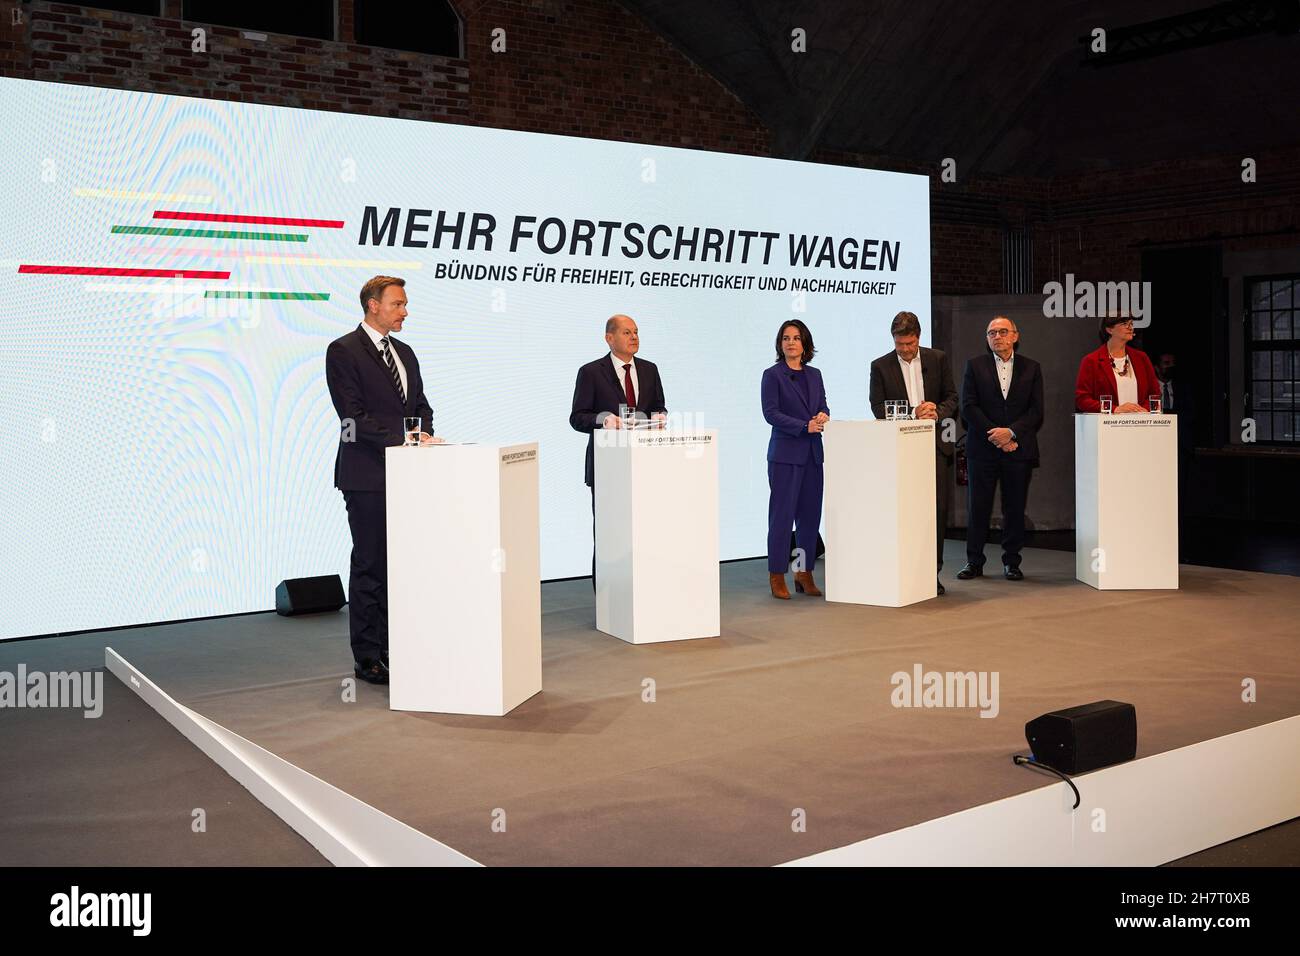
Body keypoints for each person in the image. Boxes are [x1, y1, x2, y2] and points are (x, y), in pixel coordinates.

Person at [325, 276, 441, 685]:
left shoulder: (406, 353)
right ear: (373, 305)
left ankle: (397, 646)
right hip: (367, 476)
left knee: (402, 566)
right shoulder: (343, 350)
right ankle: (369, 656)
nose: (405, 311)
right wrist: (402, 441)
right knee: (371, 565)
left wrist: (422, 434)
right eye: (398, 304)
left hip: (409, 476)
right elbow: (352, 417)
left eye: (405, 304)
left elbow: (422, 406)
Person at [568, 315, 667, 587]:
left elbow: (658, 404)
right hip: (609, 466)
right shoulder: (591, 372)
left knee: (645, 530)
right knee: (611, 533)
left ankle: (644, 587)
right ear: (609, 338)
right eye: (626, 333)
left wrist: (660, 416)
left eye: (636, 332)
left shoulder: (650, 369)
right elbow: (577, 417)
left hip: (645, 463)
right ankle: (608, 597)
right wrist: (604, 419)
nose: (634, 337)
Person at [868, 310, 959, 595]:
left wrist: (935, 411)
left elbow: (952, 397)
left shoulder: (937, 359)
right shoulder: (880, 366)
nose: (905, 349)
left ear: (918, 337)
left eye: (909, 343)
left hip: (934, 447)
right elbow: (877, 407)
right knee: (905, 512)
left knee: (936, 512)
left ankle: (932, 573)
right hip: (900, 449)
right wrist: (912, 413)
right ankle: (903, 570)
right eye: (899, 344)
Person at [957, 316, 1044, 582]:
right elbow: (968, 407)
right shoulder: (975, 366)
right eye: (991, 332)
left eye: (1002, 331)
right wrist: (997, 435)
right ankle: (974, 562)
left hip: (1018, 449)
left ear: (1015, 336)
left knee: (1014, 508)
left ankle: (1012, 562)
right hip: (982, 449)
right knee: (978, 508)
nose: (997, 336)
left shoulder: (1031, 368)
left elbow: (1036, 411)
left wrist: (1011, 433)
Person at [762, 320, 830, 599]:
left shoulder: (814, 375)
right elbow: (771, 413)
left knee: (809, 518)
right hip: (785, 456)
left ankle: (804, 573)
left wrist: (824, 414)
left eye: (796, 338)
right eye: (786, 338)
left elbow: (822, 404)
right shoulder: (772, 375)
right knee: (781, 518)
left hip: (813, 455)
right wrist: (804, 426)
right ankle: (777, 574)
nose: (791, 342)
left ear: (805, 344)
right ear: (780, 344)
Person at [1074, 315, 1161, 413]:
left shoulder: (1142, 358)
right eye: (1124, 324)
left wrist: (1143, 409)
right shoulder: (1091, 361)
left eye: (1131, 324)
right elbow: (1082, 399)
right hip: (1107, 426)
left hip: (1140, 424)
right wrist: (1115, 409)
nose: (1130, 327)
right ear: (1109, 330)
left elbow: (1155, 394)